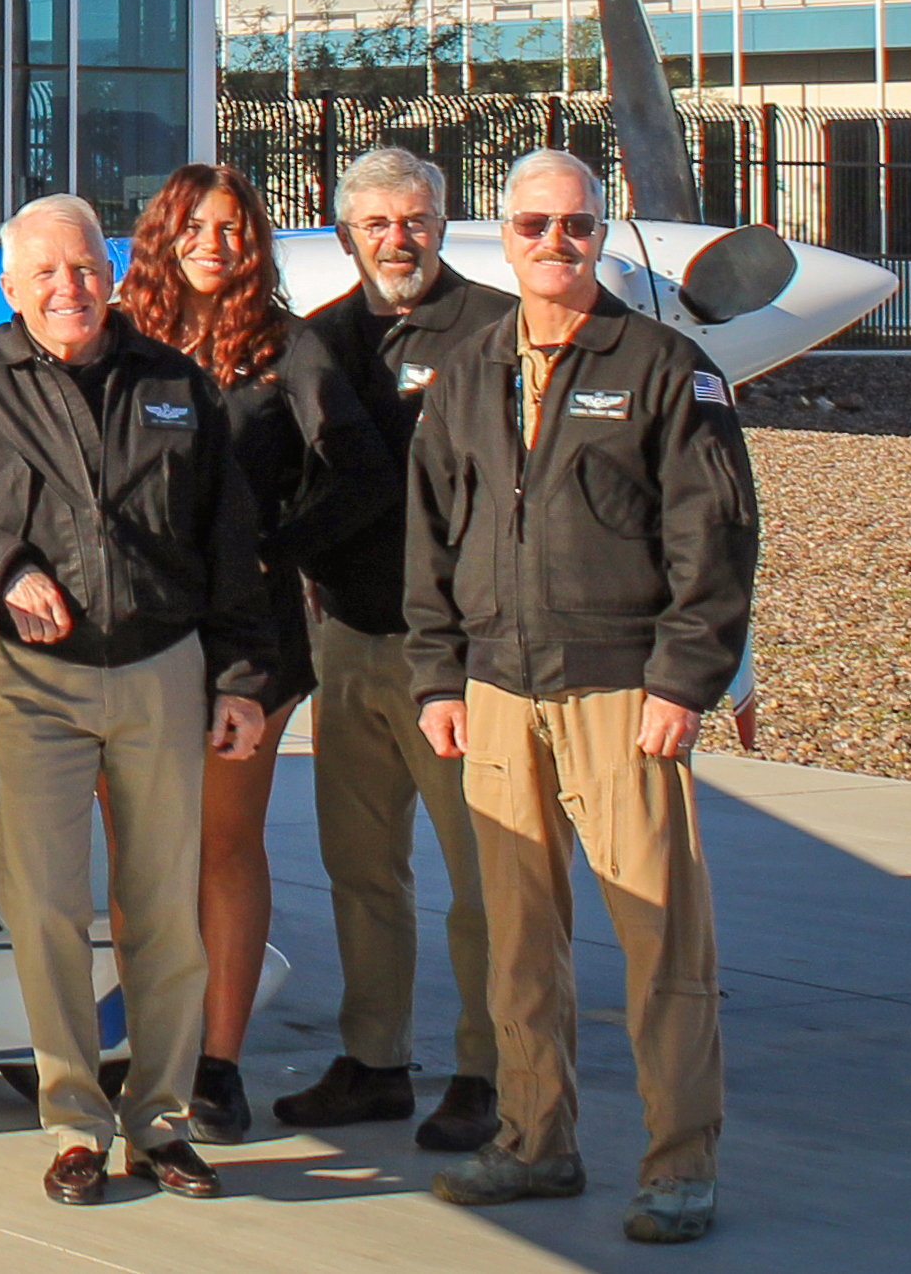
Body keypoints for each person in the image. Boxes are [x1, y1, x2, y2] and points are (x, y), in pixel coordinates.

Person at [0, 194, 274, 1207]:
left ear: (114, 272)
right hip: (38, 681)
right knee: (48, 907)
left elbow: (229, 545)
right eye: (45, 273)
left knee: (162, 912)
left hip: (161, 668)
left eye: (86, 267)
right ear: (11, 288)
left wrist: (238, 679)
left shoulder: (174, 383)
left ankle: (163, 1121)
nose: (70, 288)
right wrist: (2, 565)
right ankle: (71, 1121)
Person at [412, 149, 757, 1246]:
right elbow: (430, 535)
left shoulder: (665, 364)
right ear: (501, 237)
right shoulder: (466, 369)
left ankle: (678, 1163)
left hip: (623, 690)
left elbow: (715, 535)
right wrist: (437, 673)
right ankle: (533, 1135)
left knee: (659, 938)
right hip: (497, 685)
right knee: (517, 936)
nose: (553, 243)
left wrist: (683, 680)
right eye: (531, 224)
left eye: (573, 224)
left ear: (600, 234)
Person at [115, 162, 379, 1146]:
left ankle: (217, 1064)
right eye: (197, 225)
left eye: (233, 227)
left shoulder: (286, 346)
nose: (215, 243)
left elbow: (360, 468)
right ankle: (154, 1048)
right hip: (130, 637)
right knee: (144, 853)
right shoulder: (114, 340)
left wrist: (281, 541)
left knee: (223, 843)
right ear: (163, 231)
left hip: (248, 641)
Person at [280, 144, 506, 1150]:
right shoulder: (317, 341)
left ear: (443, 223)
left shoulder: (498, 329)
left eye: (413, 219)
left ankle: (488, 1068)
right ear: (345, 234)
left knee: (483, 877)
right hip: (352, 643)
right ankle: (374, 1059)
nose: (396, 239)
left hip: (458, 658)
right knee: (361, 867)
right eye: (375, 223)